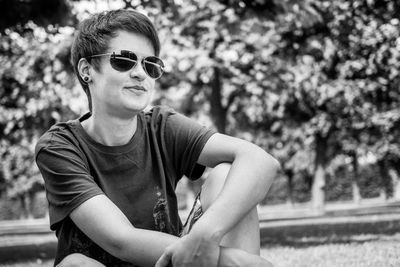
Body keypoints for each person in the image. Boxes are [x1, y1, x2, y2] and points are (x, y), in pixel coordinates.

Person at [35, 8, 280, 267]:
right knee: (75, 265)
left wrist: (206, 233)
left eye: (150, 64)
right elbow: (121, 239)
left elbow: (260, 160)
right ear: (86, 70)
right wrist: (238, 262)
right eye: (124, 60)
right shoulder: (59, 147)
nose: (141, 73)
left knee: (228, 174)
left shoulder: (162, 126)